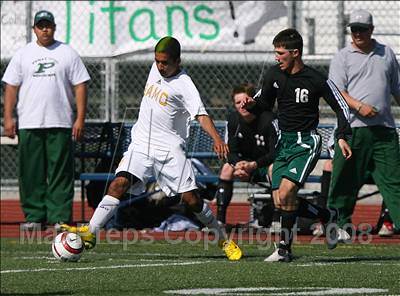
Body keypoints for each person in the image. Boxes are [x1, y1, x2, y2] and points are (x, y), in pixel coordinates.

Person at [62, 36, 242, 261]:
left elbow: (201, 114)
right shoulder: (155, 69)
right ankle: (91, 232)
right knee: (118, 184)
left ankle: (224, 240)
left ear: (177, 61)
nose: (160, 66)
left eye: (165, 62)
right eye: (157, 61)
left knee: (192, 200)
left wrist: (217, 139)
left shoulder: (184, 84)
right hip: (141, 145)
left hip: (169, 151)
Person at [241, 28, 352, 262]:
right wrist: (251, 105)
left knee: (287, 192)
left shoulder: (315, 79)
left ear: (295, 53)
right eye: (275, 52)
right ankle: (327, 215)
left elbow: (341, 107)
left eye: (280, 52)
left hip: (306, 141)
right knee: (281, 200)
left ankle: (284, 249)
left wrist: (342, 135)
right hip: (284, 142)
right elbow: (264, 103)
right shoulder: (274, 75)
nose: (276, 57)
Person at [2, 10, 90, 231]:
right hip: (30, 122)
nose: (45, 30)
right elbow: (11, 86)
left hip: (60, 121)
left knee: (60, 172)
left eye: (48, 26)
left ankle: (60, 216)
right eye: (40, 26)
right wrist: (8, 117)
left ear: (54, 28)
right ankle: (35, 216)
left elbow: (81, 85)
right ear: (34, 29)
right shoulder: (23, 54)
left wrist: (79, 118)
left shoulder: (67, 53)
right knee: (31, 172)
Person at [327, 9, 400, 239]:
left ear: (372, 30)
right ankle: (339, 224)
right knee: (344, 178)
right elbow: (336, 90)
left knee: (394, 179)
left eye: (362, 29)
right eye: (354, 29)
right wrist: (359, 106)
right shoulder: (342, 57)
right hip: (353, 129)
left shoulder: (386, 53)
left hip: (384, 130)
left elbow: (397, 88)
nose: (358, 33)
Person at [215, 83, 278, 226]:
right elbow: (230, 151)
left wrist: (253, 165)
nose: (241, 106)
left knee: (274, 169)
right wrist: (238, 164)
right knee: (226, 168)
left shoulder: (269, 119)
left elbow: (275, 153)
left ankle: (276, 219)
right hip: (244, 166)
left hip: (264, 166)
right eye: (237, 103)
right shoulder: (233, 120)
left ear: (251, 101)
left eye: (244, 101)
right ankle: (219, 221)